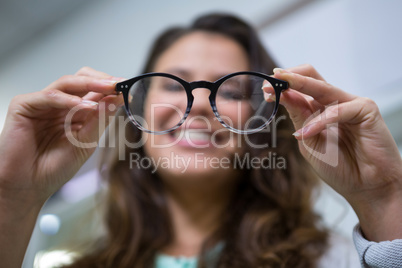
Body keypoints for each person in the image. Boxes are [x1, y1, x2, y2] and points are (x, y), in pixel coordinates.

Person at [1, 13, 401, 268]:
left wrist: (384, 197)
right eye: (175, 83)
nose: (200, 106)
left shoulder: (339, 261)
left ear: (262, 125)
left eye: (230, 91)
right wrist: (12, 197)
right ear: (136, 112)